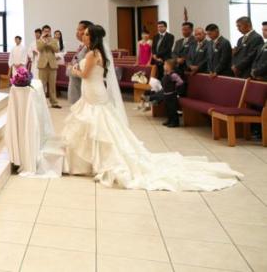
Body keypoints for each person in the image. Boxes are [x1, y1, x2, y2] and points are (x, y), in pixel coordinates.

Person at [62, 24, 241, 190]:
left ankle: (97, 160)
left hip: (93, 92)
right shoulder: (96, 52)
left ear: (93, 37)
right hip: (93, 91)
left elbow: (85, 74)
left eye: (87, 34)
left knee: (98, 124)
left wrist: (73, 68)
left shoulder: (92, 54)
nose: (83, 36)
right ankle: (91, 161)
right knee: (96, 124)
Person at [145, 59, 185, 128]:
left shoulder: (173, 75)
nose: (164, 66)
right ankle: (169, 120)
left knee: (172, 109)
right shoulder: (166, 74)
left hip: (172, 95)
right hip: (166, 94)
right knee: (167, 109)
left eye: (165, 65)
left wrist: (175, 86)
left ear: (169, 66)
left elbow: (180, 82)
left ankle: (175, 122)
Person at [68, 20, 92, 105]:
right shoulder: (83, 46)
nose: (77, 32)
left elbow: (85, 68)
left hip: (82, 87)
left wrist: (71, 69)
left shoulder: (90, 49)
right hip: (76, 85)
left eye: (79, 30)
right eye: (77, 30)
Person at [36, 25, 61, 108]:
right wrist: (44, 41)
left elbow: (56, 50)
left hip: (52, 65)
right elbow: (39, 49)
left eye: (48, 31)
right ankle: (41, 103)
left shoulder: (54, 40)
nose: (46, 32)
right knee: (42, 85)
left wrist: (49, 43)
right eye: (45, 31)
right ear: (42, 32)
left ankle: (54, 103)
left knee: (52, 85)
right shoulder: (39, 40)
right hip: (42, 65)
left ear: (50, 31)